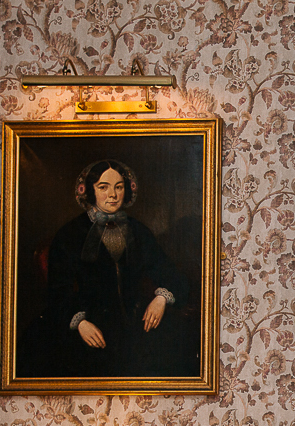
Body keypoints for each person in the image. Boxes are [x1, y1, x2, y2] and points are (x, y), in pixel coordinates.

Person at [35, 158, 192, 378]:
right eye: (103, 187)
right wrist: (79, 323)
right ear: (90, 191)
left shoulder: (138, 231)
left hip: (136, 323)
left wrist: (161, 298)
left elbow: (169, 272)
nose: (113, 195)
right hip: (90, 327)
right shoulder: (70, 234)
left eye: (119, 187)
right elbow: (58, 291)